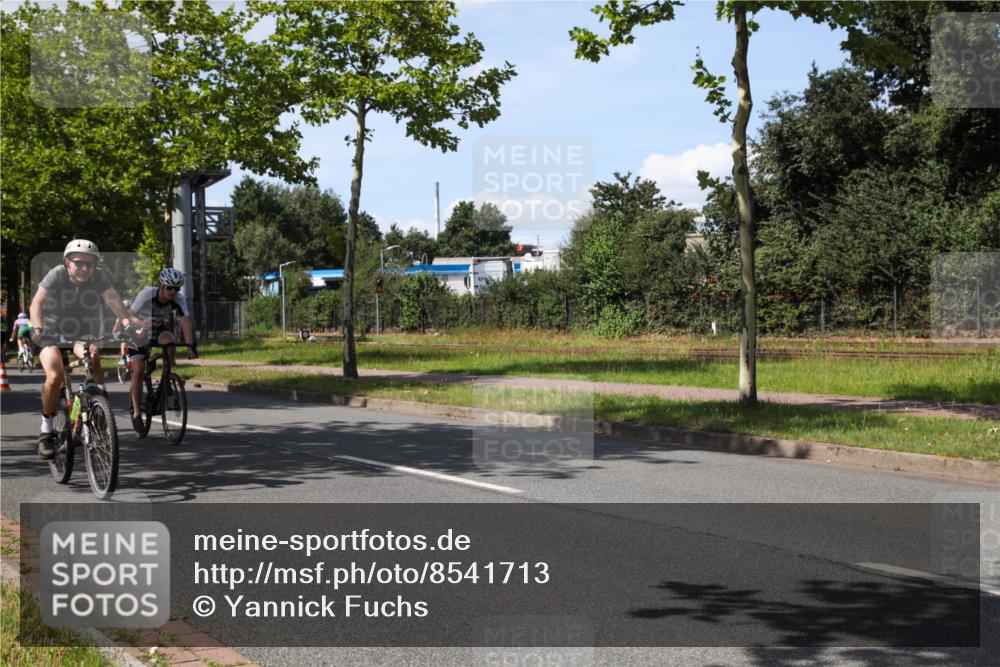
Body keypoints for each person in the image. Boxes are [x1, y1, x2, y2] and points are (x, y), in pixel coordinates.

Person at [30, 240, 131, 459]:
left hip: (80, 333)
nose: (85, 268)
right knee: (55, 375)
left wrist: (126, 323)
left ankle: (99, 404)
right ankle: (46, 432)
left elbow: (113, 300)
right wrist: (37, 327)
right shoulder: (57, 274)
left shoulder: (99, 277)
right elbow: (36, 303)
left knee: (92, 356)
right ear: (67, 262)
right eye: (79, 263)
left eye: (90, 264)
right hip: (51, 332)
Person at [124, 268, 198, 433]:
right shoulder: (147, 294)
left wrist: (191, 347)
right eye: (170, 288)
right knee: (138, 369)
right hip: (138, 332)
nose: (173, 292)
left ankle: (167, 380)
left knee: (170, 341)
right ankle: (136, 413)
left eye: (177, 288)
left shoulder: (178, 299)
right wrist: (140, 323)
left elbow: (185, 322)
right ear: (162, 285)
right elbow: (129, 314)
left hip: (157, 329)